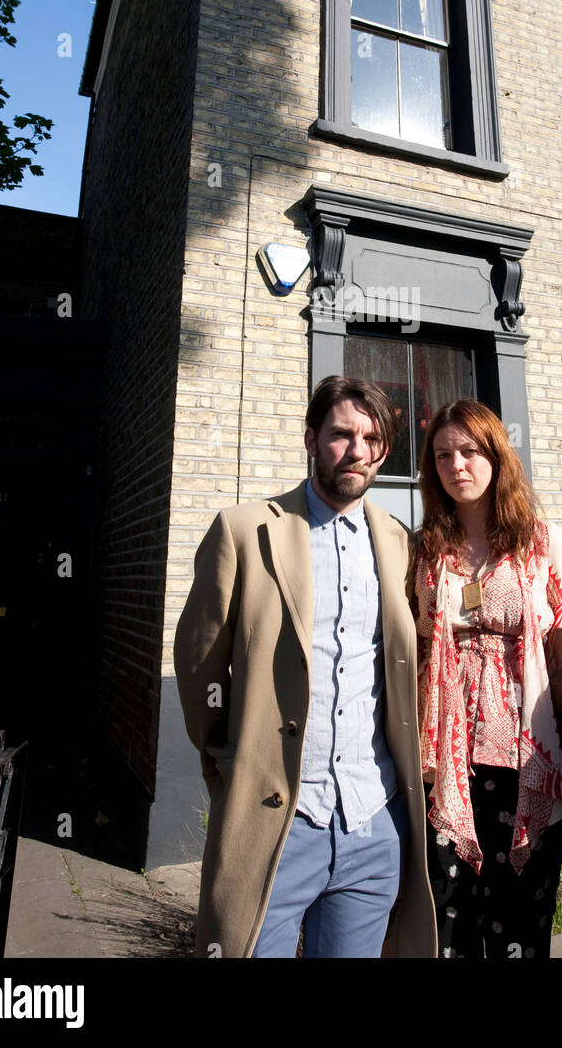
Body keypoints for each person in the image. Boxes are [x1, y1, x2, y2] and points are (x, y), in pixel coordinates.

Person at [174, 375, 436, 959]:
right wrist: (229, 761)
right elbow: (199, 664)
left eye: (372, 439)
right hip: (279, 823)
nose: (357, 451)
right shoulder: (244, 531)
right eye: (342, 435)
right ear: (312, 439)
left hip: (374, 825)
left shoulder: (399, 543)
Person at [412, 398, 562, 960]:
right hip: (448, 763)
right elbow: (415, 645)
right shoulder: (427, 550)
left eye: (469, 451)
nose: (456, 465)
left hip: (524, 760)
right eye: (442, 455)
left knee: (518, 925)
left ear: (496, 454)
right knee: (450, 919)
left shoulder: (541, 542)